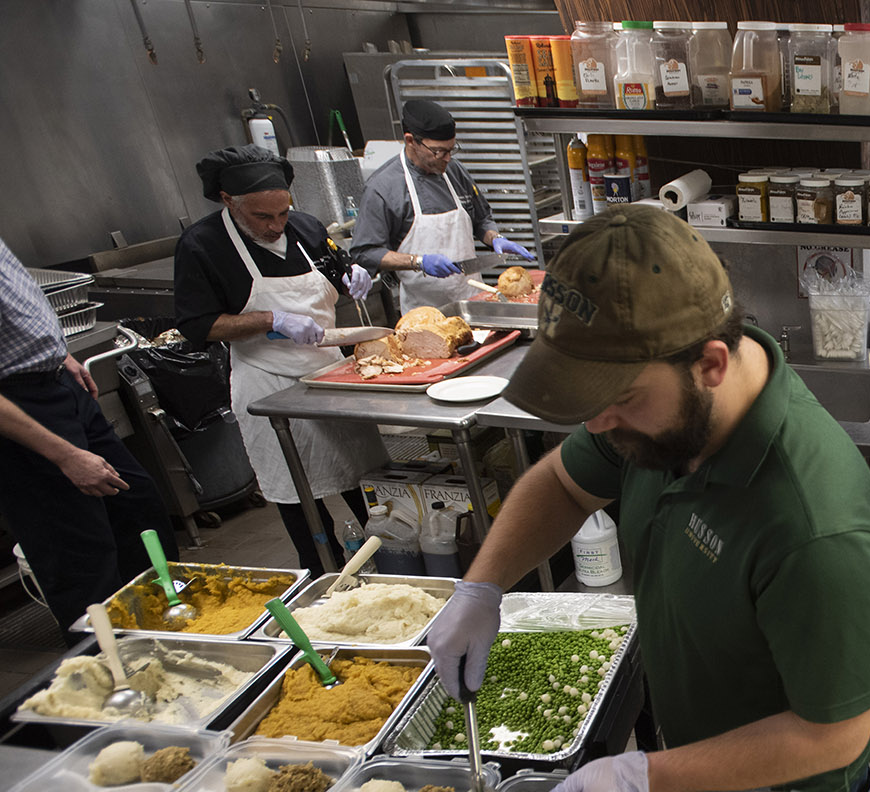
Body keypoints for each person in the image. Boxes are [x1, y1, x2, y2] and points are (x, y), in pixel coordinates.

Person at [425, 208, 870, 792]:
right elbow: (562, 484)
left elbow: (832, 733)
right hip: (690, 773)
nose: (596, 425)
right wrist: (481, 588)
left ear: (711, 365)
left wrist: (646, 775)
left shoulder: (817, 527)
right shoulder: (657, 416)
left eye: (617, 399)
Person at [175, 145, 388, 572]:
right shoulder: (202, 245)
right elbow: (198, 325)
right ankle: (321, 575)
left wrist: (353, 276)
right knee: (297, 494)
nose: (276, 226)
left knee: (365, 481)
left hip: (331, 374)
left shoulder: (308, 228)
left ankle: (390, 560)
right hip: (269, 381)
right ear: (228, 200)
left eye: (282, 213)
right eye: (262, 217)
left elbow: (336, 269)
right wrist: (271, 318)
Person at [0, 237, 178, 635]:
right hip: (18, 409)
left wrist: (56, 352)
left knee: (138, 505)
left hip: (55, 379)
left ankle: (161, 629)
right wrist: (64, 456)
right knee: (80, 553)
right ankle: (109, 669)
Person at [351, 99, 534, 313]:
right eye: (438, 152)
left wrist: (495, 238)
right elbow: (365, 252)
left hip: (473, 302)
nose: (447, 158)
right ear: (410, 141)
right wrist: (418, 261)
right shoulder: (382, 188)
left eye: (451, 150)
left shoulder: (453, 171)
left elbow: (481, 219)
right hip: (426, 314)